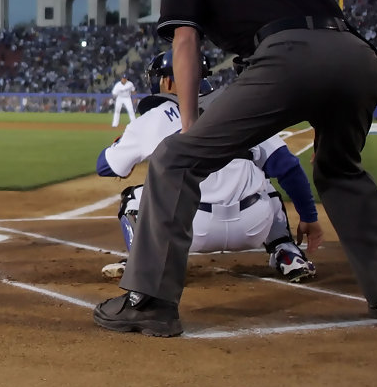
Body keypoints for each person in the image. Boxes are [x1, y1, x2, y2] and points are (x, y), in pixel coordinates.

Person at [93, 0, 377, 338]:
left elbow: (185, 44)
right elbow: (329, 30)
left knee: (176, 159)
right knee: (341, 169)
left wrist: (190, 127)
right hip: (360, 59)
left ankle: (150, 302)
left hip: (287, 58)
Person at [97, 50, 320, 283]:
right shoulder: (243, 108)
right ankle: (288, 253)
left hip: (192, 229)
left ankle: (145, 265)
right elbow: (288, 167)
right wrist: (309, 217)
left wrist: (123, 147)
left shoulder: (154, 118)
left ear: (167, 80)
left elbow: (106, 166)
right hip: (253, 227)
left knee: (133, 197)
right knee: (266, 186)